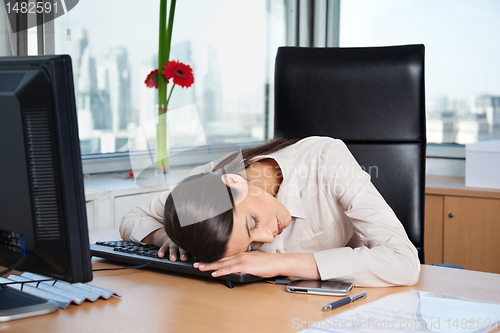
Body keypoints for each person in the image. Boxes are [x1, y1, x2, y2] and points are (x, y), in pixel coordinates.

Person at [119, 136, 420, 287]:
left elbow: (404, 261)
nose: (266, 236)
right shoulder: (203, 189)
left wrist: (281, 264)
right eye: (251, 246)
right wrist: (169, 237)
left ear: (235, 183)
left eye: (252, 223)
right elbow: (132, 218)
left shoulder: (327, 160)